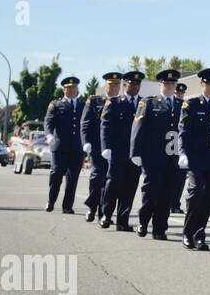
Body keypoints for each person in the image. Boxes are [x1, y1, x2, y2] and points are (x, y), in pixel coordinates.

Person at [131, 68, 181, 239]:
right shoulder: (149, 102)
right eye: (167, 83)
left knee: (166, 195)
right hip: (152, 156)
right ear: (160, 84)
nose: (170, 86)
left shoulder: (182, 105)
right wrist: (135, 152)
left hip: (172, 158)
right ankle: (143, 222)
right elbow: (138, 128)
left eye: (173, 83)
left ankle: (160, 228)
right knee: (150, 192)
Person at [178, 69, 210, 251]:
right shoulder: (192, 104)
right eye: (209, 83)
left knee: (208, 198)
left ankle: (199, 234)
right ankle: (188, 233)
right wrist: (182, 153)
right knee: (197, 190)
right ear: (202, 84)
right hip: (195, 159)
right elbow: (184, 132)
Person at [99, 71, 145, 231]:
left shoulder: (143, 103)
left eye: (138, 84)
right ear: (125, 85)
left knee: (130, 188)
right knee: (113, 185)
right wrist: (106, 148)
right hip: (117, 153)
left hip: (135, 155)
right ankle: (106, 214)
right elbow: (105, 126)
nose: (135, 87)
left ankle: (122, 220)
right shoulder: (115, 102)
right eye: (132, 84)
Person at [80, 72, 122, 221]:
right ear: (105, 86)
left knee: (110, 182)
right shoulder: (94, 101)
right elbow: (85, 123)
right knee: (98, 177)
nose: (114, 87)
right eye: (111, 84)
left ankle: (103, 212)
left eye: (117, 84)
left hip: (115, 148)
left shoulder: (122, 102)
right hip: (97, 146)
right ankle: (92, 207)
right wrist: (86, 142)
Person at [44, 75, 85, 214]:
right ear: (64, 90)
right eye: (69, 88)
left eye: (74, 87)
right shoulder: (56, 104)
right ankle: (51, 200)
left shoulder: (82, 105)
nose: (72, 90)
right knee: (56, 175)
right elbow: (48, 122)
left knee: (72, 179)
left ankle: (67, 206)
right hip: (60, 147)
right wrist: (49, 134)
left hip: (77, 148)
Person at [168, 82, 189, 213]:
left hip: (182, 143)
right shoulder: (171, 105)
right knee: (171, 175)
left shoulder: (186, 105)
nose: (179, 95)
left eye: (181, 93)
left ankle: (175, 203)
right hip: (172, 142)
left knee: (181, 176)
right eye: (178, 93)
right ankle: (170, 202)